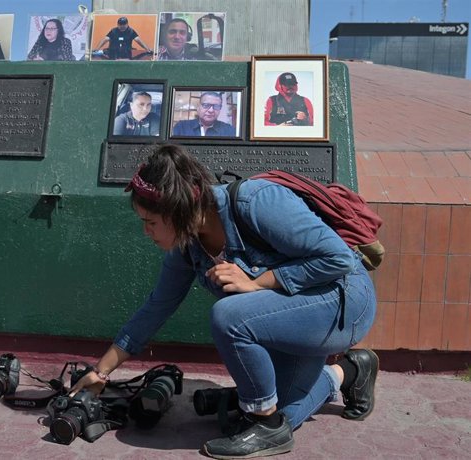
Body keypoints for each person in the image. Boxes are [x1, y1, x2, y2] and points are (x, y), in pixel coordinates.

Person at [69, 144, 379, 459]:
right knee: (284, 412)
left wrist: (259, 282)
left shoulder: (257, 201)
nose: (146, 231)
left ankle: (264, 422)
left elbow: (338, 258)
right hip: (297, 319)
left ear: (178, 210)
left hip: (343, 303)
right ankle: (349, 371)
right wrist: (101, 372)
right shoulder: (187, 244)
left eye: (150, 222)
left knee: (230, 318)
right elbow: (156, 308)